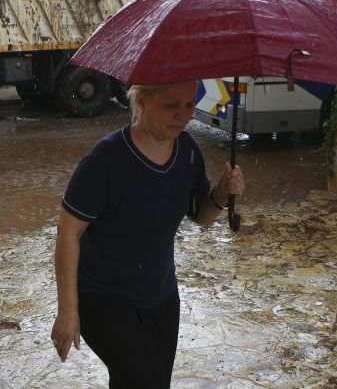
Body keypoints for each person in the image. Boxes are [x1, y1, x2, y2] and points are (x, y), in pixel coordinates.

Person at [51, 80, 245, 388]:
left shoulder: (188, 152)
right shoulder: (104, 161)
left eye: (188, 105)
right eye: (171, 105)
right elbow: (68, 233)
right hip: (102, 296)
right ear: (141, 101)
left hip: (160, 295)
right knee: (146, 382)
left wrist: (222, 193)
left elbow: (201, 214)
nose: (182, 115)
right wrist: (67, 311)